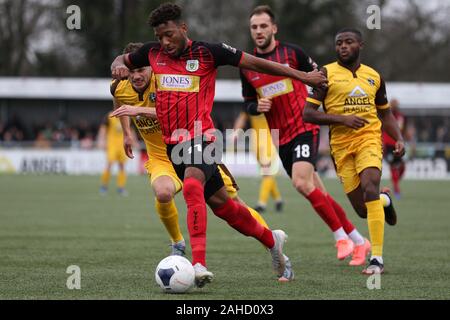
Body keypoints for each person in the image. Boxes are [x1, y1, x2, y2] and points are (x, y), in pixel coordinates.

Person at [110, 11, 319, 284]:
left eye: (169, 34)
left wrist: (302, 76)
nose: (165, 42)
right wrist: (117, 62)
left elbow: (258, 64)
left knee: (193, 186)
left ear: (183, 28)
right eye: (159, 37)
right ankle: (272, 241)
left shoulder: (210, 52)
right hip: (173, 146)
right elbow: (121, 60)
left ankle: (197, 264)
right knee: (226, 209)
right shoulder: (151, 53)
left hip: (201, 137)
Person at [110, 42, 273, 264]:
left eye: (141, 70)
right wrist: (127, 132)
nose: (137, 76)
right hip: (161, 158)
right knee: (163, 193)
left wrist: (138, 110)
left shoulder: (165, 80)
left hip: (191, 150)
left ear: (151, 67)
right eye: (132, 71)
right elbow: (119, 99)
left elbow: (173, 111)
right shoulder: (119, 86)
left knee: (234, 204)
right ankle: (177, 243)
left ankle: (272, 243)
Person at [240, 5, 368, 264]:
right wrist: (257, 106)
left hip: (303, 127)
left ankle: (339, 237)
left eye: (264, 26)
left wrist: (321, 109)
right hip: (281, 137)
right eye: (254, 27)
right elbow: (248, 101)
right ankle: (359, 240)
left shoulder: (292, 53)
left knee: (301, 183)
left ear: (274, 28)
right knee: (316, 190)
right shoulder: (247, 65)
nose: (259, 31)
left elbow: (321, 78)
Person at [303, 28, 405, 274]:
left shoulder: (374, 76)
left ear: (361, 45)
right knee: (362, 209)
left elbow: (384, 112)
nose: (343, 47)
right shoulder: (325, 74)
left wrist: (398, 138)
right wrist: (342, 119)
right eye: (339, 43)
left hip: (369, 139)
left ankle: (377, 260)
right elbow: (308, 113)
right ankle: (385, 200)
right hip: (341, 147)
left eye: (349, 42)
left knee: (370, 186)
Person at [232, 110, 284, 213]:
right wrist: (236, 132)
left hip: (269, 138)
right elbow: (243, 117)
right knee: (266, 172)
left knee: (267, 171)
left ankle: (262, 204)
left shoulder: (272, 99)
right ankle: (278, 199)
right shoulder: (250, 99)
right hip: (255, 140)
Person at [97, 113, 132, 196]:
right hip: (111, 145)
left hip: (122, 145)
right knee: (109, 165)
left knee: (122, 166)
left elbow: (130, 130)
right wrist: (101, 140)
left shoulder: (127, 116)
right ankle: (104, 186)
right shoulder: (109, 116)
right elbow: (103, 129)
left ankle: (121, 187)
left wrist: (133, 142)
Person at [382, 98, 406, 199]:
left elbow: (401, 128)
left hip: (398, 143)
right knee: (393, 167)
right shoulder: (384, 116)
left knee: (402, 166)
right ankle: (396, 189)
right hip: (388, 146)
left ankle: (395, 182)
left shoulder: (400, 116)